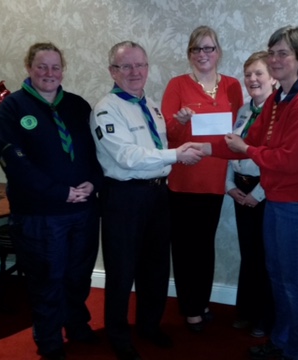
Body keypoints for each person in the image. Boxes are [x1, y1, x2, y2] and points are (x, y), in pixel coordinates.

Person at [188, 25, 298, 360]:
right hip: (278, 202)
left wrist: (248, 150)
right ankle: (280, 341)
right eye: (272, 51)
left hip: (297, 205)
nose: (276, 59)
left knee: (294, 283)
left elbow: (289, 161)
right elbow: (244, 140)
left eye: (283, 53)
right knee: (278, 278)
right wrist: (206, 150)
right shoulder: (280, 97)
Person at [89, 41, 203, 360]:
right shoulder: (106, 108)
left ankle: (149, 326)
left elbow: (158, 149)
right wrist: (175, 155)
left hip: (157, 194)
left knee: (155, 266)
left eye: (140, 65)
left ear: (148, 68)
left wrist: (178, 149)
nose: (135, 72)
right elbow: (126, 157)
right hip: (124, 197)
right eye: (126, 66)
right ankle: (118, 334)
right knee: (122, 269)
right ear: (113, 71)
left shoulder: (150, 105)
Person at [0, 42, 103, 360]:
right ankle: (49, 338)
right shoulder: (13, 108)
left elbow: (100, 152)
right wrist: (60, 192)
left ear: (63, 70)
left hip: (83, 209)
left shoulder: (78, 106)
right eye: (42, 66)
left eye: (55, 67)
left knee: (78, 275)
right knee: (47, 278)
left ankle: (77, 324)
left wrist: (92, 183)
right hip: (40, 214)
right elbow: (15, 162)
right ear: (29, 67)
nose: (49, 73)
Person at [161, 25, 244, 332]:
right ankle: (191, 309)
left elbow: (238, 132)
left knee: (204, 246)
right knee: (185, 247)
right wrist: (180, 122)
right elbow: (169, 137)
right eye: (197, 49)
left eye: (208, 48)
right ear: (189, 54)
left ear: (218, 52)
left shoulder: (233, 86)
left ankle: (201, 300)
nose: (203, 54)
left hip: (216, 180)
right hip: (183, 182)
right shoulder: (177, 85)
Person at [227, 51, 276, 338]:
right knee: (249, 253)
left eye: (259, 73)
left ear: (272, 77)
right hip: (240, 189)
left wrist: (258, 193)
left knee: (265, 256)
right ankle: (246, 310)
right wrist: (229, 186)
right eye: (248, 74)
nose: (252, 79)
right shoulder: (244, 111)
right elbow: (229, 149)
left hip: (264, 191)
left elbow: (276, 160)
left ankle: (264, 317)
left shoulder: (278, 113)